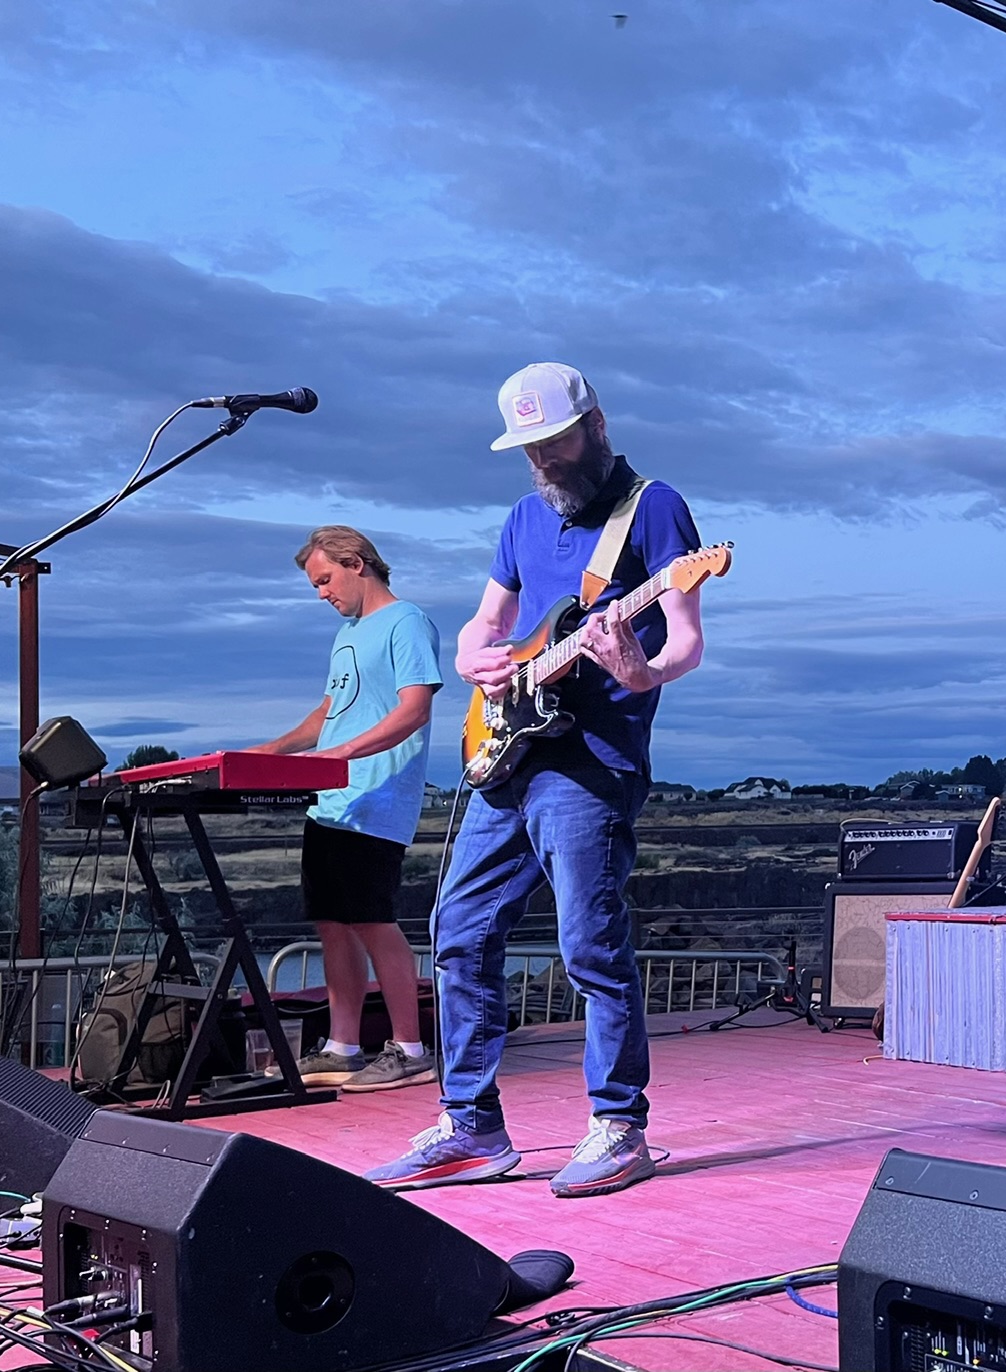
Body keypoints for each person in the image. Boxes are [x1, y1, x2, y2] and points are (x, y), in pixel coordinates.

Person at [366, 363, 705, 1199]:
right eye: (528, 450)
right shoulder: (522, 517)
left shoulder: (654, 509)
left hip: (592, 763)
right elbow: (488, 623)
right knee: (458, 926)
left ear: (594, 425)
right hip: (511, 750)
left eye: (553, 444)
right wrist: (474, 657)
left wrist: (643, 667)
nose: (543, 464)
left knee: (589, 940)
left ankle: (619, 1127)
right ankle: (472, 1126)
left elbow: (687, 640)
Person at [255, 526, 442, 1092]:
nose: (321, 594)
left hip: (376, 797)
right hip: (330, 801)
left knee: (371, 919)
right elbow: (329, 714)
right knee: (332, 923)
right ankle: (342, 1047)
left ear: (356, 563)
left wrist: (345, 752)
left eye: (325, 580)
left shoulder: (406, 621)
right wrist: (269, 752)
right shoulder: (347, 635)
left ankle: (409, 1048)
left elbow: (415, 709)